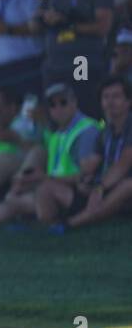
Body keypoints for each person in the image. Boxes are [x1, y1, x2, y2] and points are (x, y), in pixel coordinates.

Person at [0, 83, 100, 232]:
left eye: (63, 103)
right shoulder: (57, 132)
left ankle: (47, 225)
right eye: (52, 105)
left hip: (72, 193)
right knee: (15, 202)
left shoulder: (85, 130)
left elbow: (85, 178)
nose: (57, 109)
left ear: (74, 103)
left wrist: (45, 178)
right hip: (52, 186)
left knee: (39, 183)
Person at [36, 0, 113, 118]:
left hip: (83, 59)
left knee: (84, 103)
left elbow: (102, 26)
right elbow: (39, 16)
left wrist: (68, 23)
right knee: (56, 111)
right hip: (56, 62)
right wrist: (46, 19)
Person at [62, 76, 132, 230]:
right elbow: (93, 164)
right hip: (108, 187)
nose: (110, 102)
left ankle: (70, 224)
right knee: (49, 189)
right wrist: (84, 179)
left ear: (128, 102)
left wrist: (100, 187)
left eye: (116, 96)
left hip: (121, 186)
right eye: (106, 97)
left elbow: (124, 164)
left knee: (128, 185)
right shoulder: (104, 132)